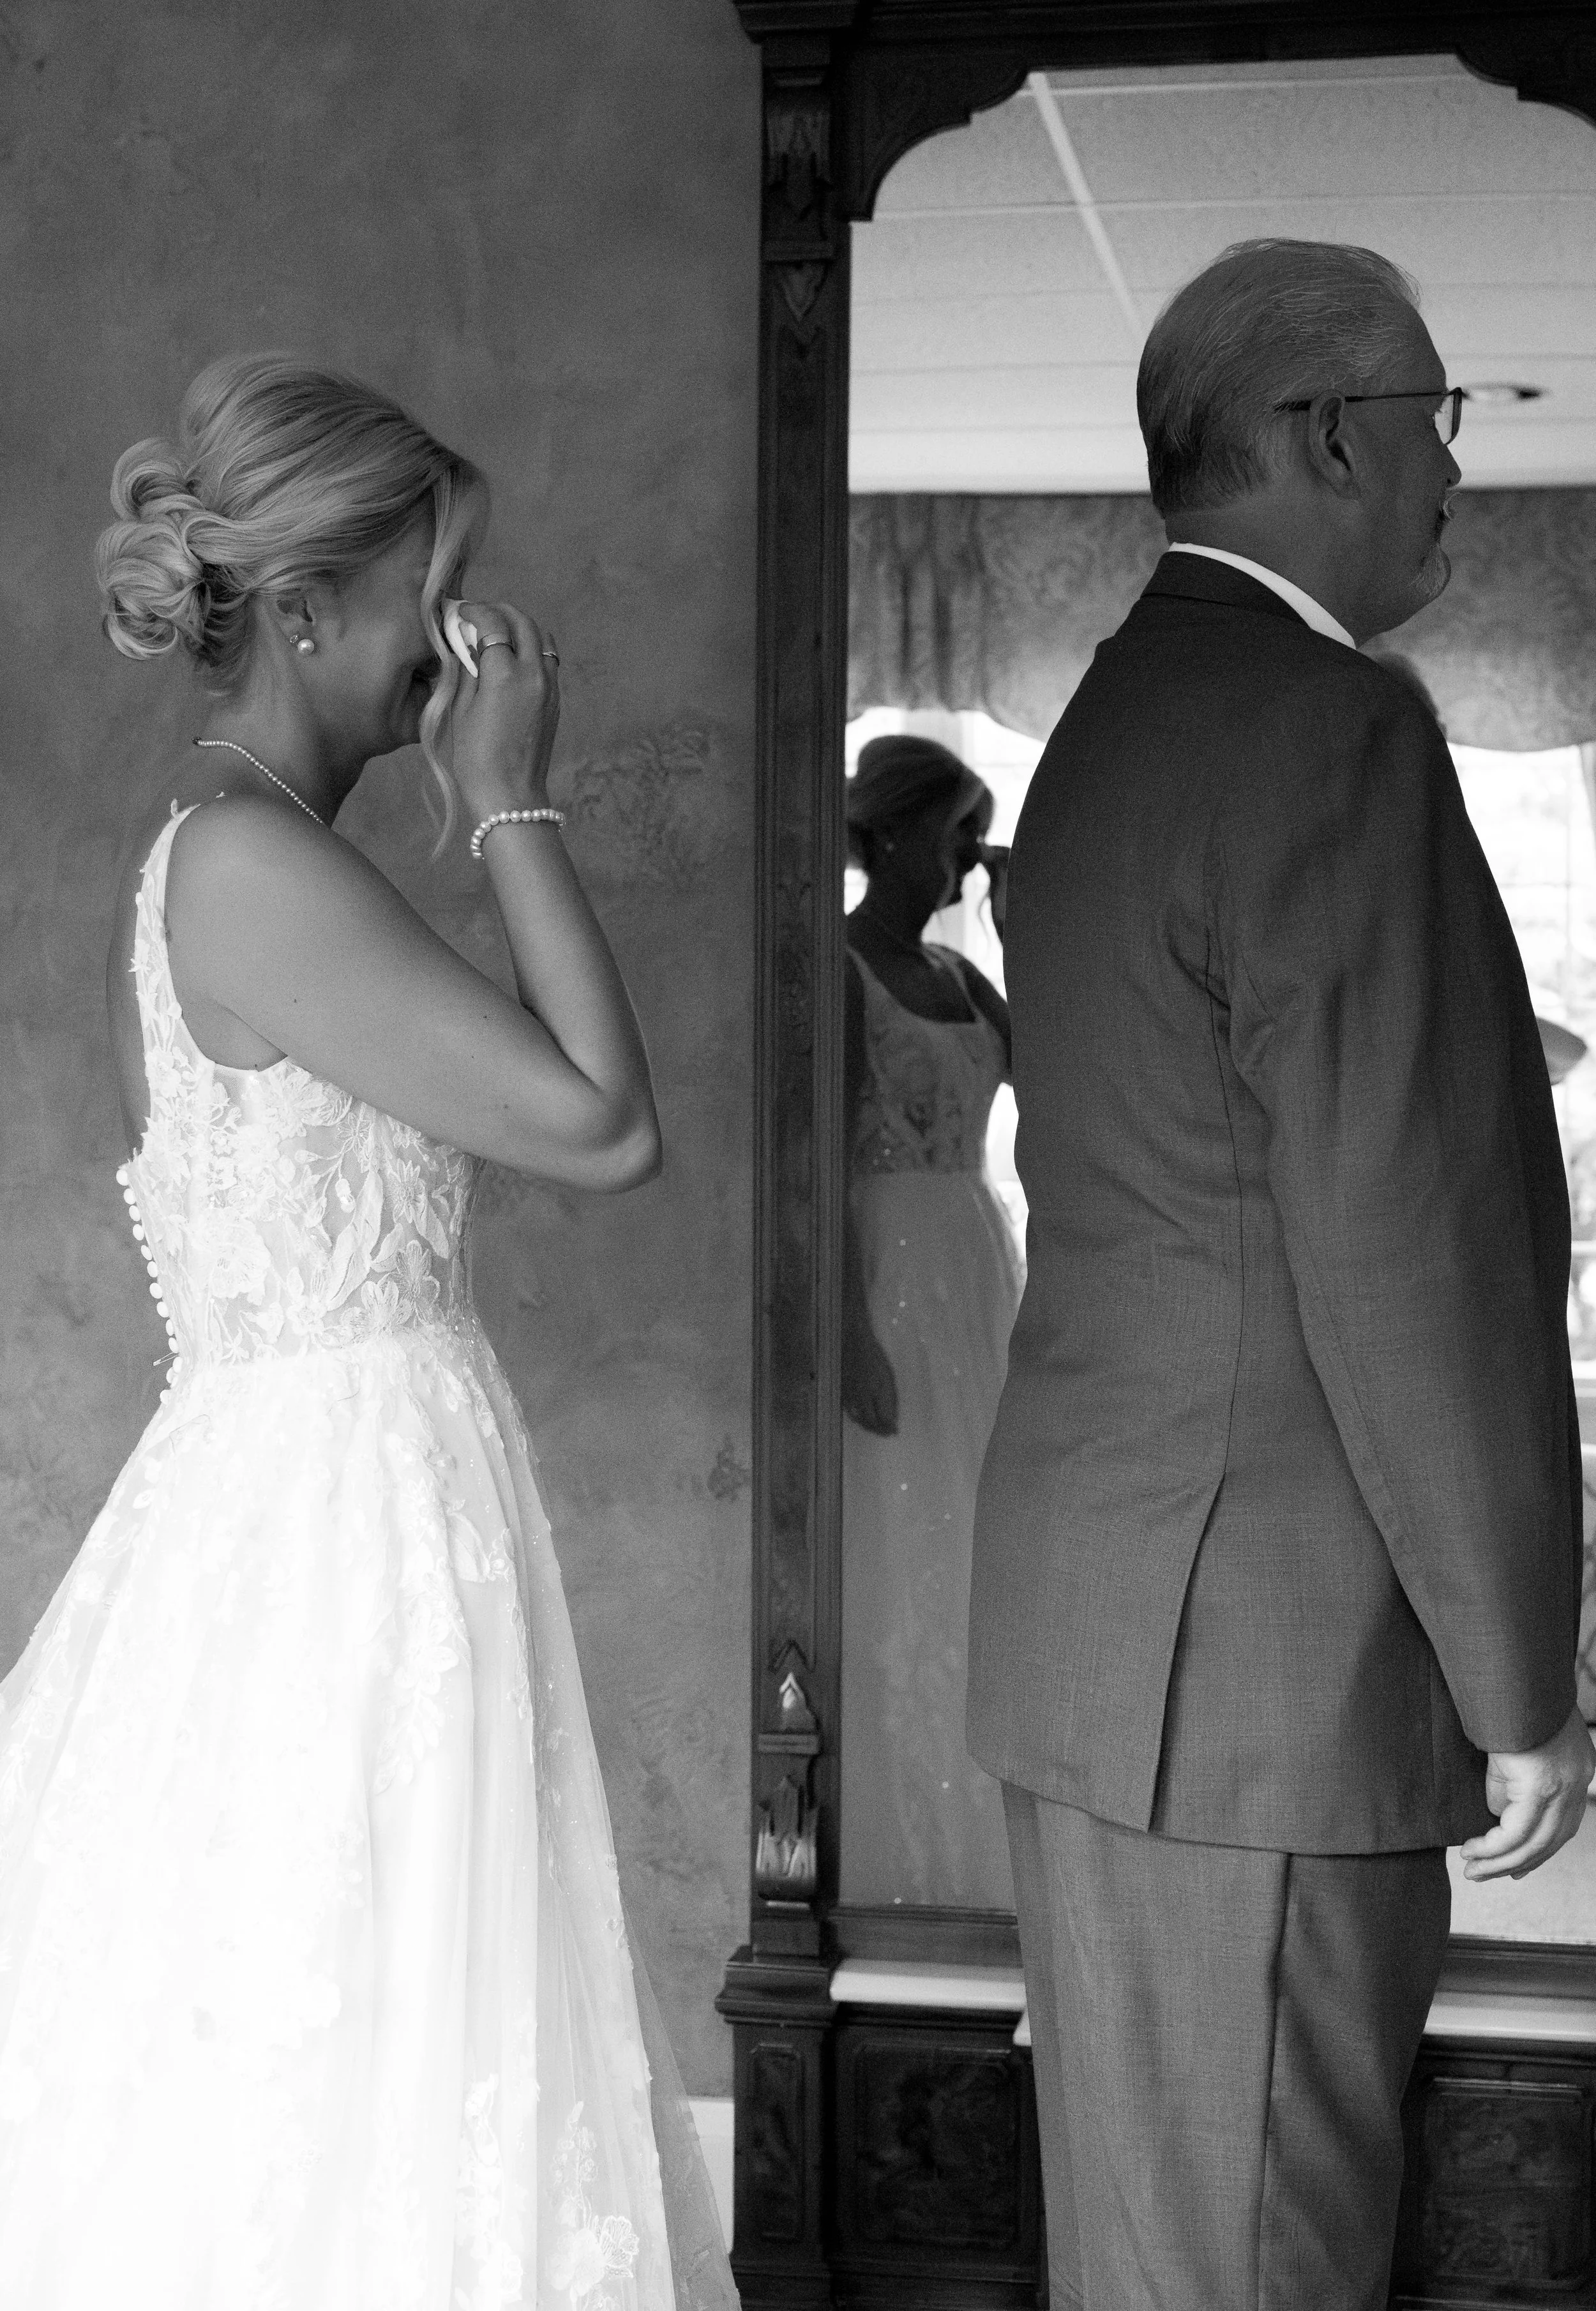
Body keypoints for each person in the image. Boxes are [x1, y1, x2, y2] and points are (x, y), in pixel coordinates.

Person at [0, 355, 736, 2310]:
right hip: (331, 1544)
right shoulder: (247, 860)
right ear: (311, 607)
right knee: (340, 2048)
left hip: (363, 1503)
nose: (462, 639)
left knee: (396, 2047)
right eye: (436, 587)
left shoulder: (253, 848)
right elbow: (604, 1121)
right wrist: (510, 798)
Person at [967, 240, 1594, 2310]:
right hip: (1264, 1662)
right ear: (1332, 432)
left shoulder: (1115, 722)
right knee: (1248, 2267)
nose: (1456, 472)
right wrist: (1521, 1683)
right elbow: (1410, 1250)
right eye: (1448, 418)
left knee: (1168, 2253)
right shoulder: (1327, 728)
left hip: (1118, 1631)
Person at [841, 735, 1020, 1905]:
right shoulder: (843, 969)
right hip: (887, 1276)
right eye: (959, 835)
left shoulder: (965, 982)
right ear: (900, 832)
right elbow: (812, 1162)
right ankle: (915, 1859)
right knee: (907, 1555)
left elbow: (1070, 1089)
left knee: (986, 1548)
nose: (964, 863)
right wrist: (848, 1329)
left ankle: (1003, 1840)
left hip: (976, 1269)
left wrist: (1020, 929)